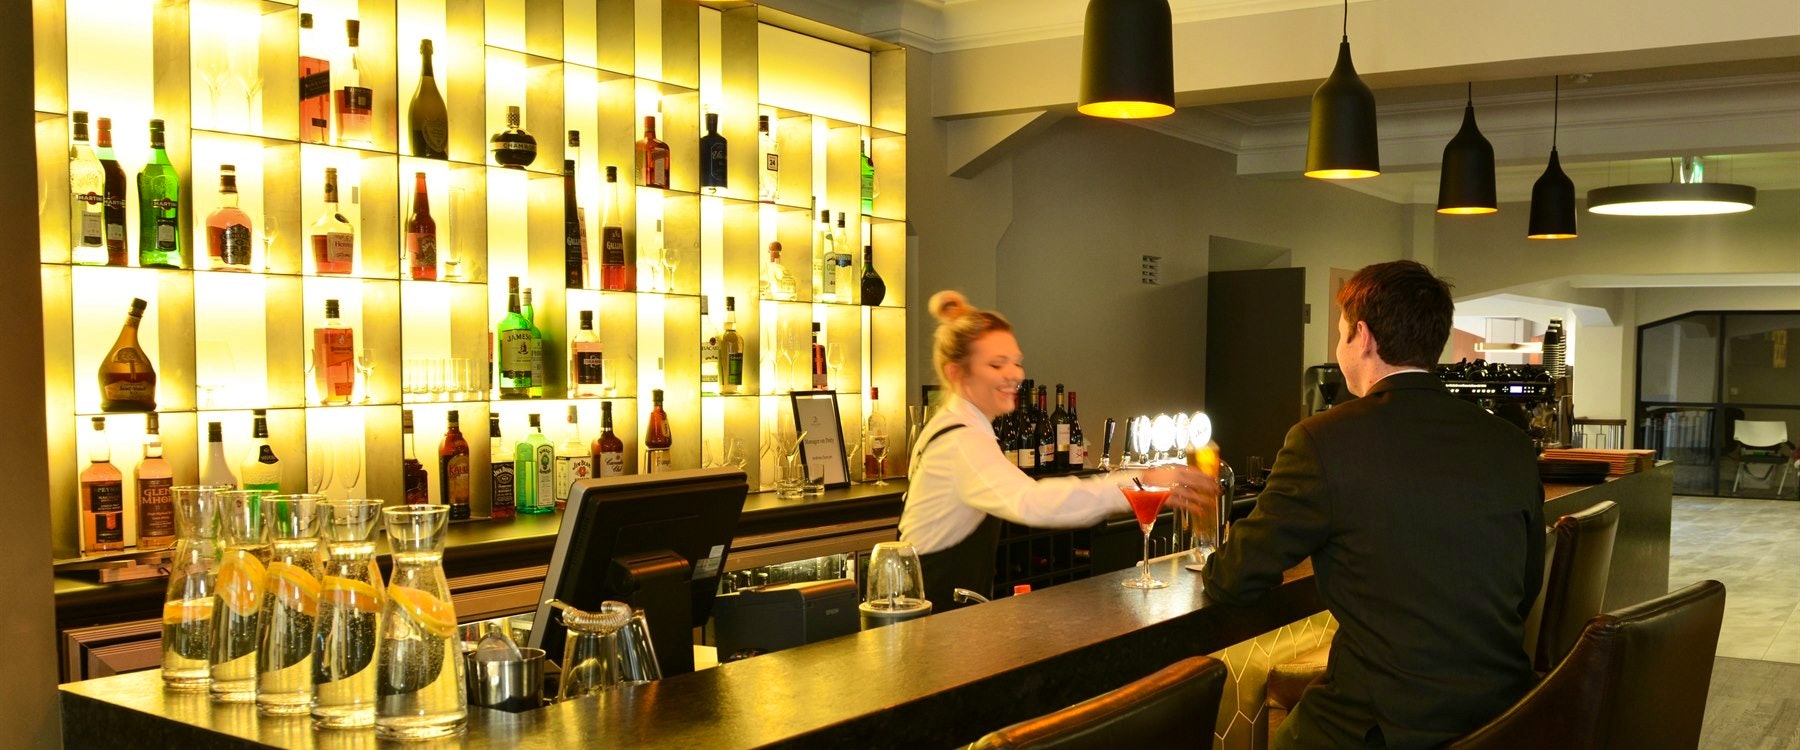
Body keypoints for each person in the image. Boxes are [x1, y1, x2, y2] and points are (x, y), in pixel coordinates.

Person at [1201, 261, 1543, 749]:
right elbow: (1526, 588)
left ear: (1362, 337)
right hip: (1504, 716)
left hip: (1384, 724)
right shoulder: (1510, 444)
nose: (1338, 352)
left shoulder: (1322, 440)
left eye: (1340, 335)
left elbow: (1235, 577)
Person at [902, 291, 1207, 613]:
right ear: (956, 373)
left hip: (934, 616)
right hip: (932, 622)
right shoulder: (961, 442)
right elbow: (1033, 502)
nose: (1014, 374)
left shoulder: (953, 425)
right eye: (996, 364)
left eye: (1016, 362)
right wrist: (1139, 482)